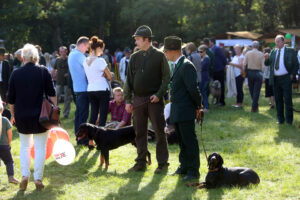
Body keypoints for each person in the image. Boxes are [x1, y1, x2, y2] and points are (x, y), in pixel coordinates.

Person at [7, 44, 56, 191]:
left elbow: (10, 99)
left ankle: (24, 176)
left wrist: (13, 115)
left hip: (22, 115)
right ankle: (38, 178)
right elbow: (52, 94)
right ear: (36, 58)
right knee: (40, 147)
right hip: (42, 116)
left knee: (25, 146)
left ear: (23, 57)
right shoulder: (43, 72)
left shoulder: (15, 73)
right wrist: (55, 110)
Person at [124, 25, 170, 173]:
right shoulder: (134, 57)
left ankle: (162, 164)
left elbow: (166, 78)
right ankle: (141, 162)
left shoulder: (159, 55)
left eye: (138, 39)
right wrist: (128, 100)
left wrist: (159, 94)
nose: (136, 42)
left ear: (146, 40)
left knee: (159, 132)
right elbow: (128, 81)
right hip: (137, 100)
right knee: (139, 132)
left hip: (154, 100)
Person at [163, 36, 202, 181]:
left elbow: (193, 89)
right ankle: (184, 166)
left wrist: (199, 106)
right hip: (177, 109)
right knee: (182, 141)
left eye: (166, 51)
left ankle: (193, 170)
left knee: (189, 141)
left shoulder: (186, 65)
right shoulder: (178, 65)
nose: (165, 54)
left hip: (185, 109)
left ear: (174, 51)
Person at [265, 35, 299, 124]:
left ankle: (289, 120)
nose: (277, 43)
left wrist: (292, 75)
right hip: (276, 79)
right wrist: (267, 59)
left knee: (287, 99)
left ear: (283, 42)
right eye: (276, 41)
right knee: (278, 100)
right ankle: (280, 119)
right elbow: (267, 64)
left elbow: (296, 65)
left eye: (278, 41)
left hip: (286, 78)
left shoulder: (290, 51)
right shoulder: (273, 51)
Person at [83, 36, 112, 127]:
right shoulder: (100, 60)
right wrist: (105, 74)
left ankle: (90, 138)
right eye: (102, 49)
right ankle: (101, 136)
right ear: (98, 48)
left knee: (93, 114)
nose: (102, 52)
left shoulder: (85, 61)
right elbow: (110, 77)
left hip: (91, 89)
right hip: (102, 89)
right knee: (103, 115)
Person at [68, 36, 90, 144]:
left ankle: (78, 137)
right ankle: (83, 139)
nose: (87, 50)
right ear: (82, 44)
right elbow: (89, 66)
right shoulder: (79, 55)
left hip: (77, 88)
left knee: (78, 115)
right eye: (87, 47)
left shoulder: (72, 54)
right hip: (83, 89)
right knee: (83, 116)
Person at [0, 97, 19, 184]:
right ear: (2, 110)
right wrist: (8, 143)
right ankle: (11, 178)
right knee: (9, 161)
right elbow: (10, 133)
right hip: (4, 146)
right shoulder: (4, 120)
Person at [243, 41, 264, 112]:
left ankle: (254, 106)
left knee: (252, 90)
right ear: (258, 46)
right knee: (256, 91)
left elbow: (244, 64)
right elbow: (263, 66)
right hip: (258, 72)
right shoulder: (261, 54)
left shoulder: (248, 53)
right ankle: (255, 106)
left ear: (252, 46)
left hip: (250, 73)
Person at [54, 46, 71, 118]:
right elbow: (54, 69)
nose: (62, 53)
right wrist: (53, 74)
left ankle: (66, 114)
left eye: (64, 51)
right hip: (59, 81)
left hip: (67, 82)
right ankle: (54, 112)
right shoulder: (57, 60)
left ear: (66, 51)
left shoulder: (69, 59)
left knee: (67, 98)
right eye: (61, 51)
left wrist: (68, 73)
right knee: (56, 97)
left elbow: (72, 69)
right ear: (59, 52)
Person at [209, 38, 227, 106]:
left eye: (210, 42)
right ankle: (217, 100)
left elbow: (223, 58)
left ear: (212, 42)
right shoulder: (213, 49)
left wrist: (224, 66)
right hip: (215, 70)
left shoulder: (217, 48)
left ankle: (222, 101)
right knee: (215, 86)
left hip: (219, 70)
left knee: (221, 85)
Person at [198, 45, 210, 112]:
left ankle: (206, 107)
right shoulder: (203, 58)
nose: (199, 53)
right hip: (202, 77)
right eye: (198, 51)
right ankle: (204, 106)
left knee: (203, 92)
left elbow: (201, 68)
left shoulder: (206, 58)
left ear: (204, 51)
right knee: (203, 92)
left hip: (204, 78)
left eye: (201, 51)